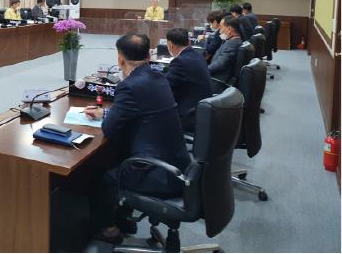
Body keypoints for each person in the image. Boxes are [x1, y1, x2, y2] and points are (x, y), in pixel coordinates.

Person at [84, 33, 191, 244]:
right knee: (119, 157)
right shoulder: (158, 77)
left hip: (158, 172)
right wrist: (107, 112)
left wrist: (108, 116)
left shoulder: (129, 85)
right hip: (179, 164)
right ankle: (125, 220)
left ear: (120, 59)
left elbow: (110, 130)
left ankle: (108, 229)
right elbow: (143, 111)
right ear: (148, 55)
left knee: (101, 175)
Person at [165, 28, 212, 131]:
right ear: (189, 41)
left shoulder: (180, 62)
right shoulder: (197, 54)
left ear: (170, 45)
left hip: (189, 115)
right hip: (201, 110)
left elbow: (165, 88)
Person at [208, 15, 243, 86]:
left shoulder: (232, 44)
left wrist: (203, 70)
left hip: (216, 81)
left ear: (229, 29)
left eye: (221, 27)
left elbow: (220, 64)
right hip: (216, 76)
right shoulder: (233, 40)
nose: (219, 30)